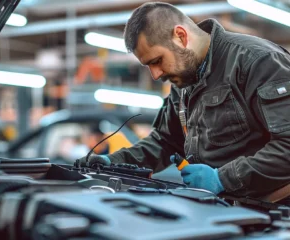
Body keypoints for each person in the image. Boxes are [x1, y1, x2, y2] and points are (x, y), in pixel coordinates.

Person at [80, 2, 290, 199]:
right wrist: (113, 162)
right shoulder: (184, 81)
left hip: (276, 213)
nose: (155, 74)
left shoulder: (256, 61)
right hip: (226, 210)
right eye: (148, 66)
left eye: (157, 61)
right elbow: (165, 142)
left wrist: (222, 179)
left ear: (180, 36)